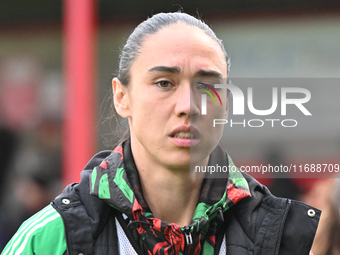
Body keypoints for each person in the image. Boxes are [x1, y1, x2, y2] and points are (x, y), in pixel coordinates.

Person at [1, 12, 320, 255]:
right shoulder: (50, 239)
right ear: (121, 97)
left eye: (207, 86)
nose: (188, 106)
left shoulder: (292, 238)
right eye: (164, 83)